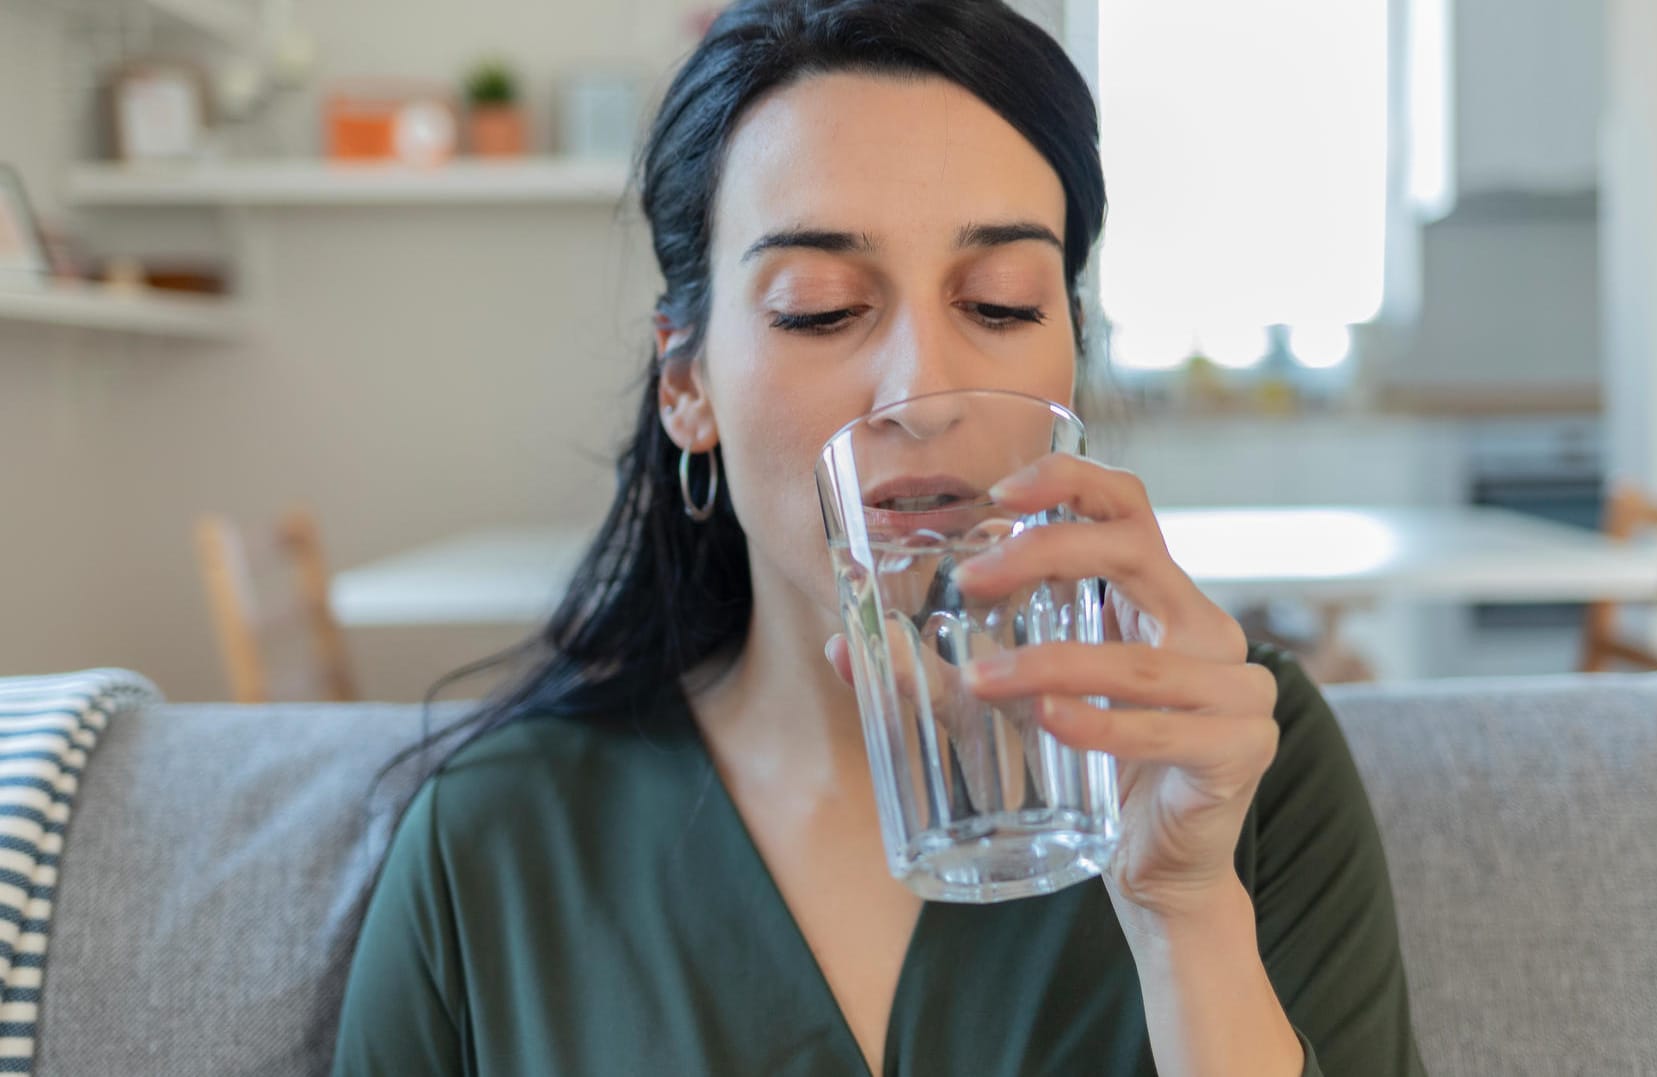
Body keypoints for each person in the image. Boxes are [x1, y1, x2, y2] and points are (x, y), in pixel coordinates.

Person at [332, 1, 1426, 1074]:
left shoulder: (1238, 766)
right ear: (686, 384)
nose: (926, 391)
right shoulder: (491, 846)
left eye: (1000, 305)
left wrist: (1185, 916)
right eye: (818, 307)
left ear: (1071, 357)